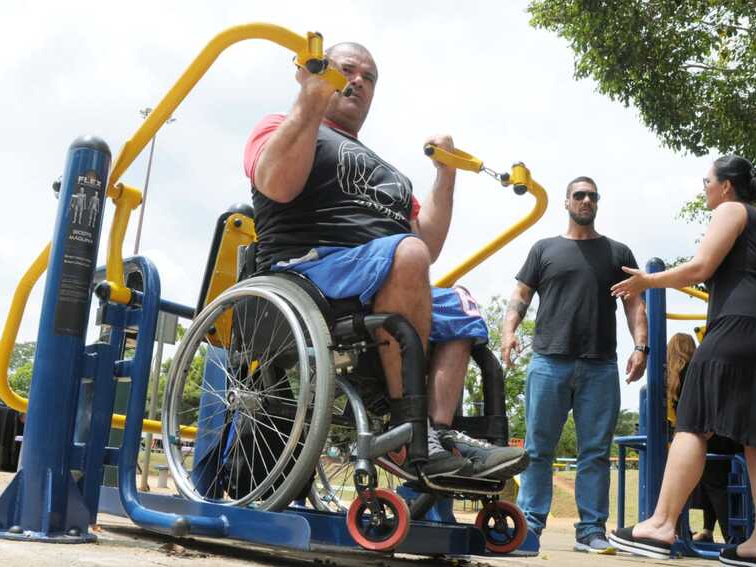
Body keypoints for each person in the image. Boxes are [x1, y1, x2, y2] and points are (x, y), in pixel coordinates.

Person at [243, 42, 527, 481]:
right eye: (347, 70)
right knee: (407, 255)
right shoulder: (283, 125)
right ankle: (406, 431)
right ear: (316, 71)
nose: (357, 80)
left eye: (368, 76)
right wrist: (311, 99)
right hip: (314, 268)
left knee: (463, 308)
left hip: (383, 270)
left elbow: (425, 246)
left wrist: (445, 176)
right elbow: (276, 185)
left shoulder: (385, 169)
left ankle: (437, 434)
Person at [608, 155, 756, 567]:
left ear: (725, 186)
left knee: (693, 423)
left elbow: (701, 267)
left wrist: (647, 281)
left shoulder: (731, 210)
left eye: (707, 181)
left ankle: (661, 526)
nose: (704, 189)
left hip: (736, 329)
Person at [501, 176, 649, 554]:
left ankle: (591, 531)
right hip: (549, 361)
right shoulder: (544, 249)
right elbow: (520, 294)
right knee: (537, 448)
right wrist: (508, 331)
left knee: (596, 452)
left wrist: (641, 347)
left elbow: (634, 304)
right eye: (579, 195)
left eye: (592, 196)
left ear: (598, 203)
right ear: (566, 201)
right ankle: (530, 526)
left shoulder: (618, 253)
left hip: (599, 366)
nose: (586, 200)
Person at [666, 333, 734, 544]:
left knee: (710, 485)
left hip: (697, 435)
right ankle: (715, 531)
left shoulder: (673, 377)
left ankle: (728, 535)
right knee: (714, 486)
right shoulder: (699, 369)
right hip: (715, 435)